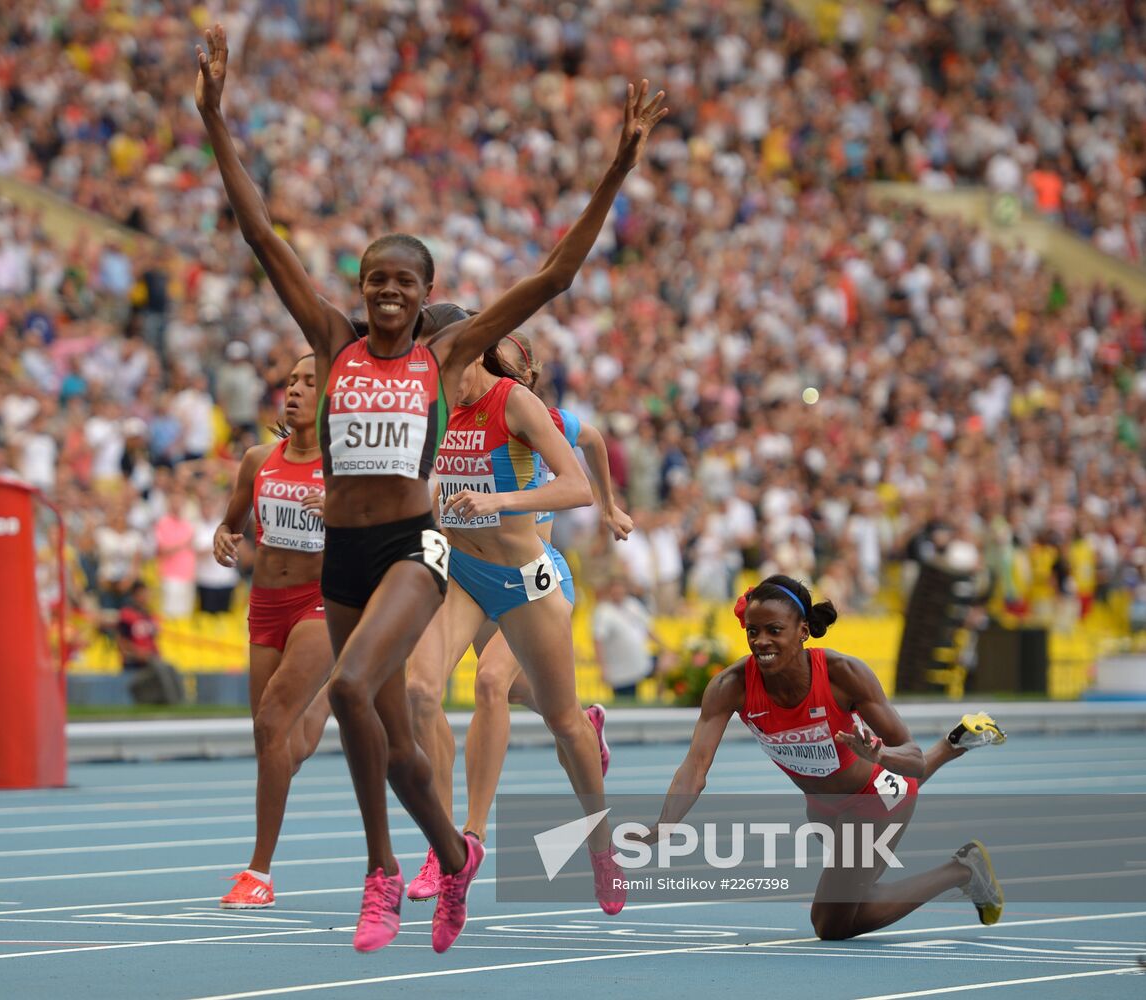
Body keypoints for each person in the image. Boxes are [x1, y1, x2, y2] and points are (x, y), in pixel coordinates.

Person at [197, 22, 666, 953]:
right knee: (390, 723)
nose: (386, 293)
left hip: (417, 550)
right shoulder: (329, 341)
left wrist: (617, 166)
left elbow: (556, 275)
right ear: (359, 285)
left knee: (350, 693)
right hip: (345, 551)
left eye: (403, 283)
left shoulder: (447, 356)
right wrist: (213, 116)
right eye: (374, 279)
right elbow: (258, 232)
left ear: (425, 294)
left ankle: (385, 876)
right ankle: (448, 857)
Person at [640, 575, 1009, 941]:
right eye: (752, 631)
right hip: (822, 810)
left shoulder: (843, 675)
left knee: (830, 923)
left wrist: (879, 753)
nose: (761, 641)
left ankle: (962, 870)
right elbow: (695, 766)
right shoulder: (730, 686)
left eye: (774, 630)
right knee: (853, 892)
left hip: (875, 802)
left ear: (802, 630)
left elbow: (911, 758)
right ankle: (951, 745)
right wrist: (667, 821)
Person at [403, 340, 625, 911]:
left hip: (534, 576)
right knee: (424, 689)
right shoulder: (441, 411)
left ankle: (601, 845)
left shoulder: (533, 412)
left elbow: (593, 445)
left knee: (513, 695)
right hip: (467, 571)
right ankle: (456, 842)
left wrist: (607, 505)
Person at [212, 354, 333, 909]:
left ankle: (258, 872)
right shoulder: (258, 458)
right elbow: (232, 520)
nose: (295, 390)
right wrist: (223, 536)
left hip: (321, 604)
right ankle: (333, 690)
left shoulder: (346, 467)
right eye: (291, 381)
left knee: (271, 722)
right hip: (265, 605)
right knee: (282, 743)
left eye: (310, 382)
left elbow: (390, 525)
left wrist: (341, 511)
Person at [115, 581, 183, 705]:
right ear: (134, 596)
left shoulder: (148, 615)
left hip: (150, 661)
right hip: (135, 664)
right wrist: (139, 654)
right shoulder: (127, 615)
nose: (146, 597)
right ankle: (171, 701)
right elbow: (122, 643)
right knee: (161, 669)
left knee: (170, 668)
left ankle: (180, 702)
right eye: (143, 594)